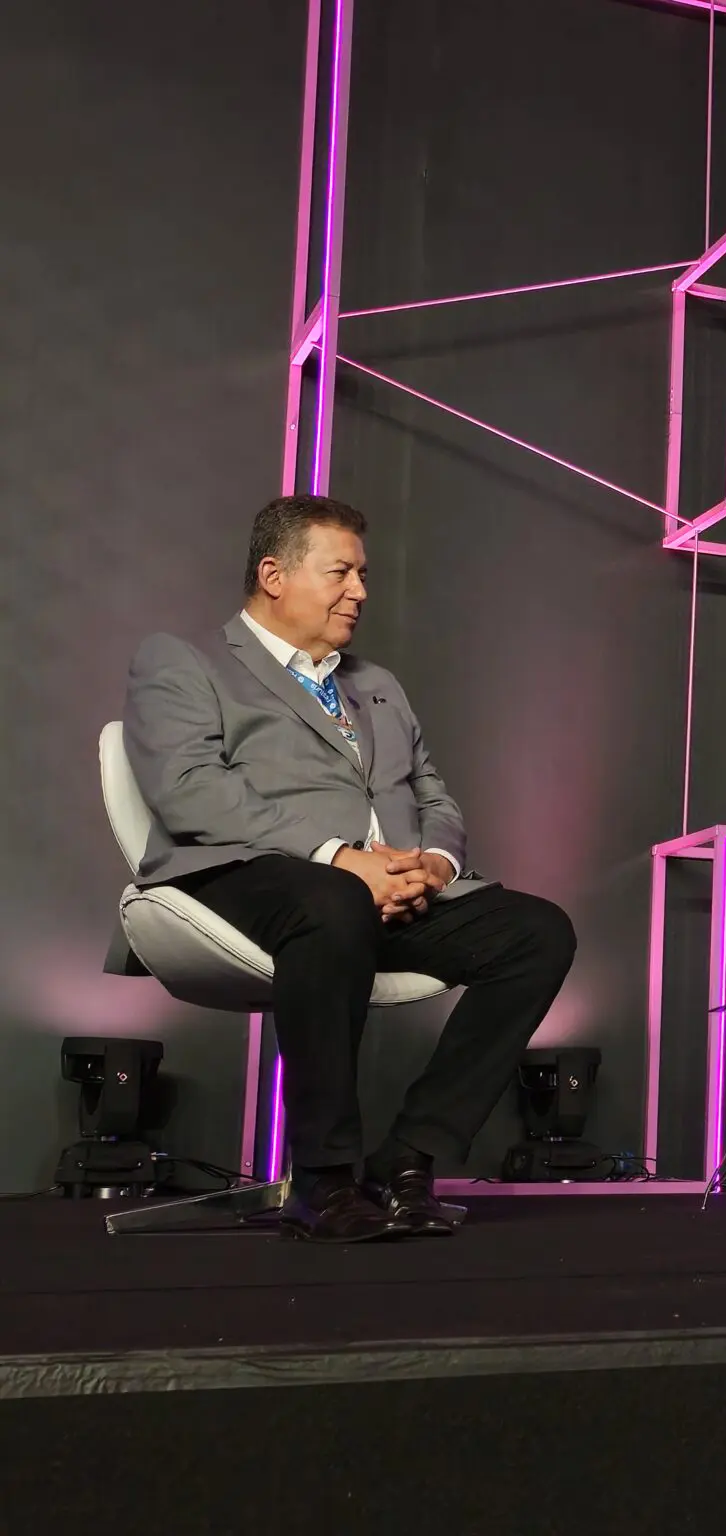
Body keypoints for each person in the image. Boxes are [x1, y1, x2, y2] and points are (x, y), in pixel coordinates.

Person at [115, 494, 577, 1242]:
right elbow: (190, 789)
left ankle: (408, 1161)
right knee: (332, 901)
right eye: (342, 572)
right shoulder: (185, 660)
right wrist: (343, 859)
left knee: (537, 931)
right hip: (247, 880)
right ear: (274, 574)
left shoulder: (377, 683)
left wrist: (432, 860)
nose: (360, 590)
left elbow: (432, 790)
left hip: (379, 892)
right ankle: (324, 1182)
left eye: (362, 574)